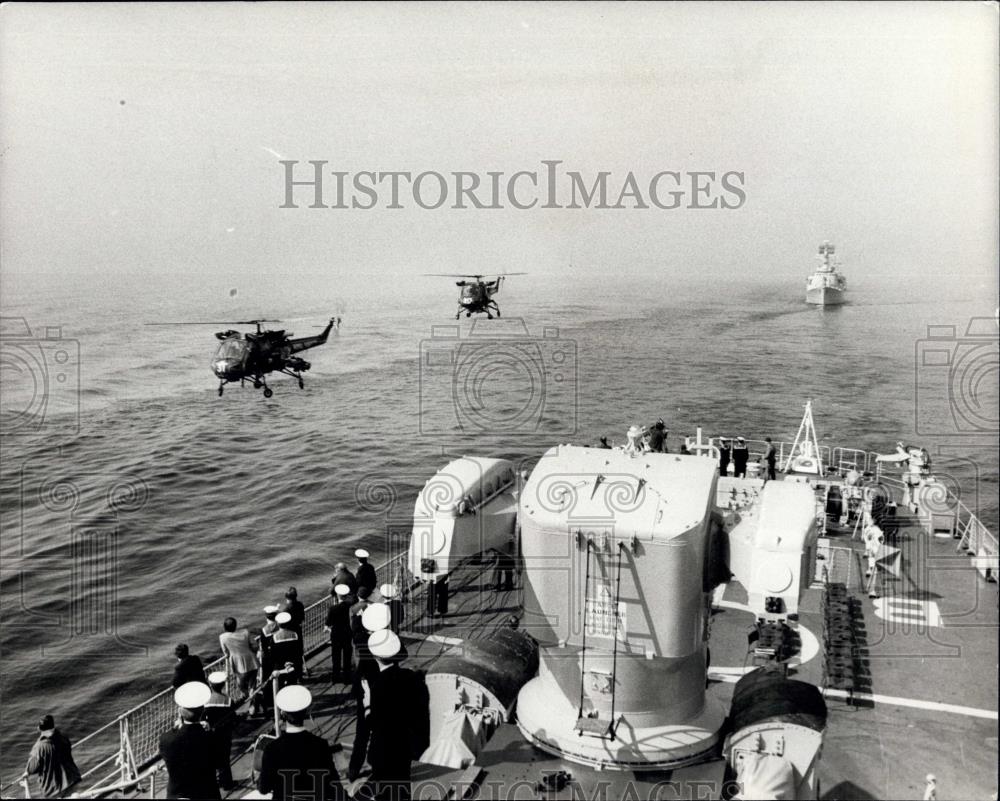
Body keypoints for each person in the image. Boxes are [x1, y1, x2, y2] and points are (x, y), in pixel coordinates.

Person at [361, 631, 430, 801]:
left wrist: (368, 704)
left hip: (385, 750)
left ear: (375, 655)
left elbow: (376, 725)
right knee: (402, 787)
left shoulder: (378, 686)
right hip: (407, 746)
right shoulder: (414, 678)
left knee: (386, 792)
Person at [258, 685, 345, 801]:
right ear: (307, 711)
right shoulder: (321, 745)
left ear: (282, 713)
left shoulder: (271, 749)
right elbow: (333, 785)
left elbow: (264, 788)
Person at [159, 682, 221, 800]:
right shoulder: (211, 738)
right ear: (202, 710)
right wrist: (208, 731)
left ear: (180, 712)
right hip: (207, 793)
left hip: (178, 794)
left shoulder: (166, 739)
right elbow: (219, 763)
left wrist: (176, 729)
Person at [23, 715, 81, 799]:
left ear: (40, 729)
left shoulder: (39, 747)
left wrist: (27, 772)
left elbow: (32, 768)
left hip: (53, 789)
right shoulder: (63, 738)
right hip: (72, 780)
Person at [203, 671, 237, 792]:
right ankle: (226, 783)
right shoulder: (228, 700)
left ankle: (213, 783)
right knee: (224, 759)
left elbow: (203, 718)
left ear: (210, 685)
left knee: (211, 758)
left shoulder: (205, 701)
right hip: (224, 735)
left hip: (210, 734)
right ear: (223, 685)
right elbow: (234, 718)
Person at [219, 617, 260, 705]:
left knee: (240, 685)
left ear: (224, 627)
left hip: (238, 664)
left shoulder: (222, 637)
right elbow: (253, 645)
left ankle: (251, 699)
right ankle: (253, 698)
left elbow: (226, 652)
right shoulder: (245, 632)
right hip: (252, 660)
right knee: (252, 683)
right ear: (235, 626)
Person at [325, 583, 355, 683]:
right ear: (346, 595)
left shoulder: (332, 609)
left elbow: (328, 623)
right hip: (347, 634)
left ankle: (335, 677)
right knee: (347, 656)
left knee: (336, 657)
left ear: (338, 596)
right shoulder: (351, 607)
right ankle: (347, 677)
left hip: (336, 635)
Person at [256, 604, 281, 713]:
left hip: (268, 658)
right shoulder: (280, 626)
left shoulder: (264, 630)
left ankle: (269, 700)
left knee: (266, 679)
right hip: (278, 655)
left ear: (266, 617)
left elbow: (263, 646)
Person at [271, 611, 304, 687]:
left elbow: (273, 655)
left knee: (281, 685)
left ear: (278, 624)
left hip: (280, 666)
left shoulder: (274, 637)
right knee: (293, 684)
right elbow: (299, 651)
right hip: (293, 664)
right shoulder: (295, 634)